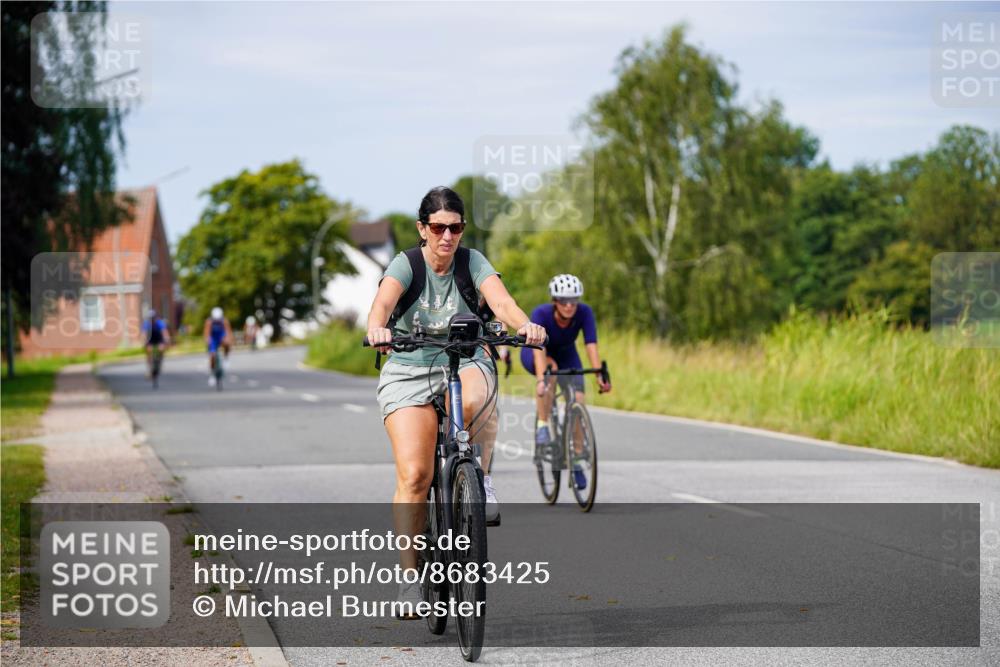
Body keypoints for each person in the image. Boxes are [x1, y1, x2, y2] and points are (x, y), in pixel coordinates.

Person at [365, 186, 545, 616]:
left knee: (474, 399)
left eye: (456, 228)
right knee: (414, 475)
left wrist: (527, 327)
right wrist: (378, 328)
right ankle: (411, 581)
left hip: (466, 356)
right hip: (409, 364)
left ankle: (477, 476)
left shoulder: (472, 262)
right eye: (439, 228)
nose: (448, 236)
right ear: (422, 229)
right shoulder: (406, 264)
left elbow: (502, 303)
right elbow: (382, 304)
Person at [520, 274, 611, 489]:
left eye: (573, 301)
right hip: (537, 351)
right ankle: (543, 424)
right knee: (550, 375)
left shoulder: (585, 312)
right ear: (555, 301)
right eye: (563, 301)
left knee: (578, 399)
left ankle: (577, 461)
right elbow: (539, 349)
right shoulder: (541, 314)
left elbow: (591, 344)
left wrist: (599, 374)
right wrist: (543, 380)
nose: (569, 306)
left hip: (567, 353)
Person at [203, 307, 233, 386]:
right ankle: (212, 375)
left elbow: (228, 332)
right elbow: (207, 333)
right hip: (213, 338)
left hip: (221, 336)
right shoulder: (209, 322)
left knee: (226, 343)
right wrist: (207, 340)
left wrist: (228, 340)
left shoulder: (224, 321)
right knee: (212, 355)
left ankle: (226, 358)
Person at [142, 308, 171, 377]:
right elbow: (144, 334)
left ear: (155, 317)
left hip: (158, 338)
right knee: (149, 350)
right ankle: (149, 367)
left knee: (161, 348)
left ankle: (160, 360)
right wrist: (144, 342)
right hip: (150, 338)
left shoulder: (160, 322)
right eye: (150, 318)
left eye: (153, 318)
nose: (152, 319)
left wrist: (167, 339)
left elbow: (164, 332)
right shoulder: (146, 323)